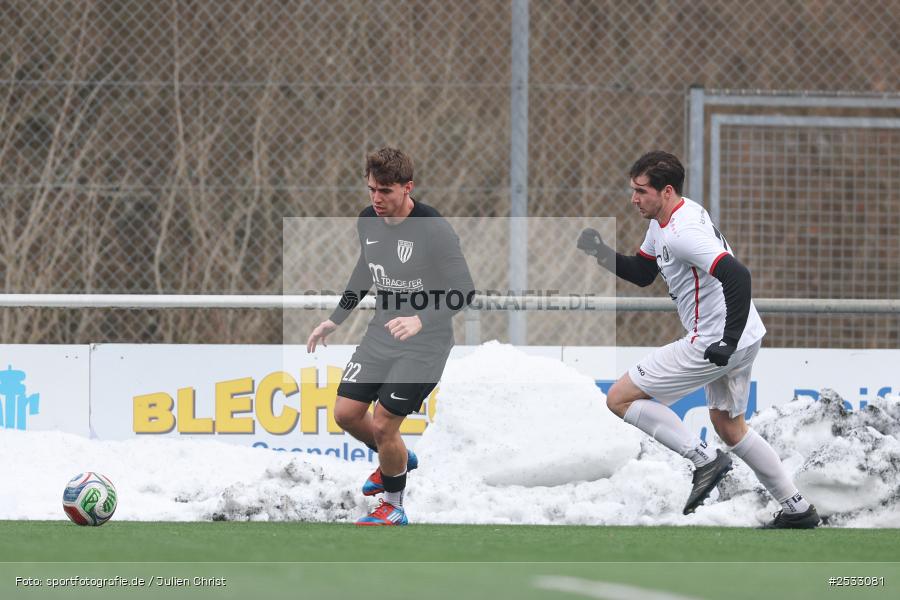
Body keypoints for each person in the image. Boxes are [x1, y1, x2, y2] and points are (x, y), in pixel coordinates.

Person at [577, 151, 819, 529]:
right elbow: (644, 272)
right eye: (633, 190)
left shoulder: (682, 233)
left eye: (641, 191)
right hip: (745, 334)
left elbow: (737, 276)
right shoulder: (666, 219)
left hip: (716, 339)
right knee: (730, 427)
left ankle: (704, 459)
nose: (634, 199)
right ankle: (797, 508)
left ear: (666, 191)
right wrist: (602, 254)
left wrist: (726, 341)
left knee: (619, 398)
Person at [307, 147, 474, 526]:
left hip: (425, 344)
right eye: (372, 190)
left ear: (407, 187)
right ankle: (396, 457)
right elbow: (365, 270)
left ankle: (394, 505)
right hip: (381, 335)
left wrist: (420, 320)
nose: (377, 199)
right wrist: (336, 319)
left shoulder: (434, 229)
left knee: (384, 424)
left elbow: (464, 290)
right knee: (346, 414)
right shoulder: (368, 220)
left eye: (385, 191)